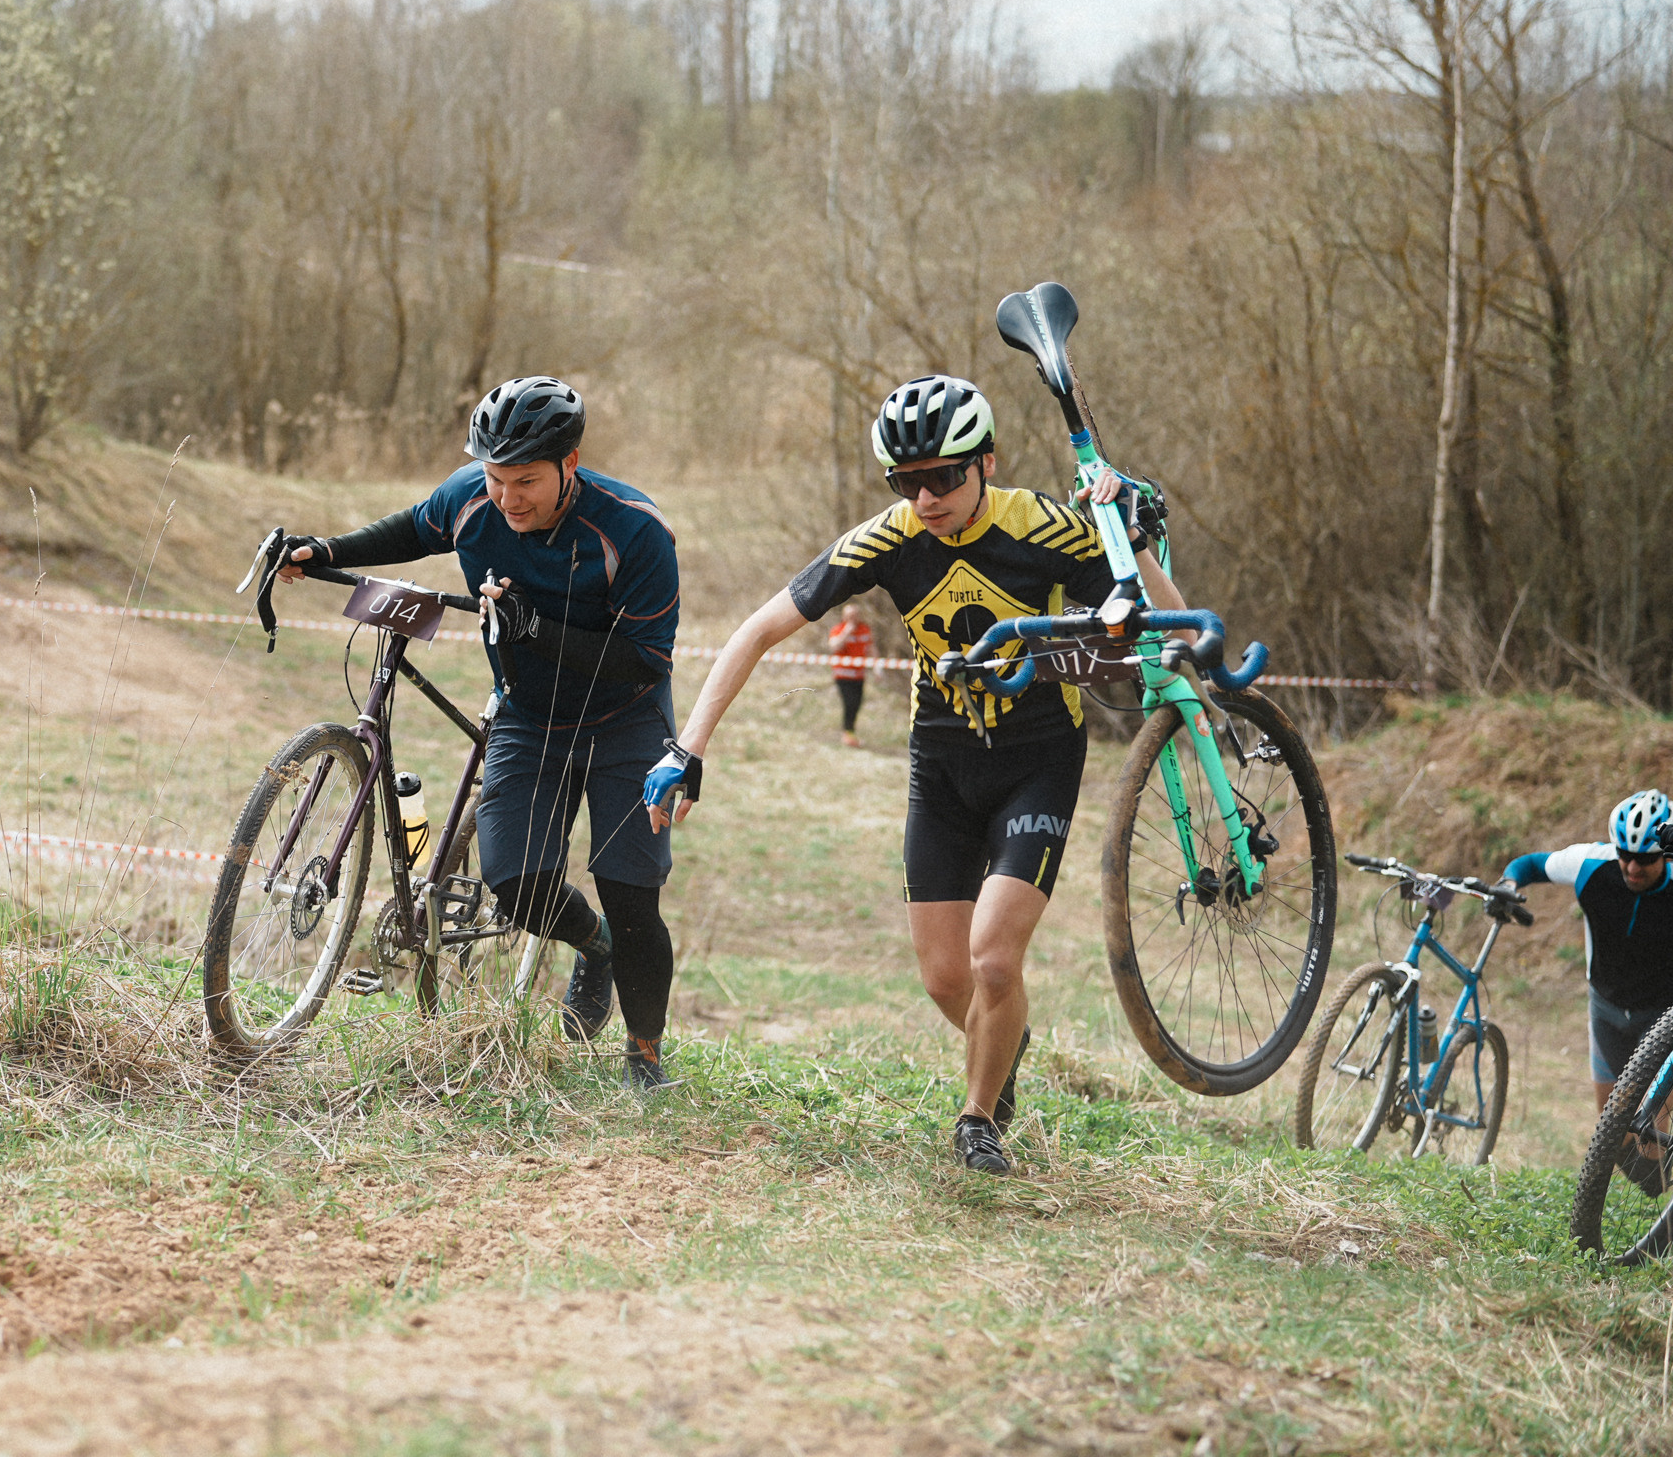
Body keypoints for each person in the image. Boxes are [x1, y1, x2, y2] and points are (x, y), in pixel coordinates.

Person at [642, 374, 1179, 1174]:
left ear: (986, 462)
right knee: (945, 978)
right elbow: (758, 630)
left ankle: (978, 1120)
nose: (925, 498)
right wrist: (688, 747)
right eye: (906, 481)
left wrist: (1131, 536)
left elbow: (1172, 627)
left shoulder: (1043, 525)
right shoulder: (887, 538)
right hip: (942, 764)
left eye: (944, 478)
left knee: (993, 959)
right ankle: (1005, 1035)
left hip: (1038, 760)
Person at [273, 377, 683, 1088]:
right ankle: (596, 946)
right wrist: (326, 552)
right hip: (528, 714)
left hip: (626, 722)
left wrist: (537, 629)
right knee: (516, 885)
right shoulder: (471, 498)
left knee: (630, 895)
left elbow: (646, 657)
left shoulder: (635, 531)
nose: (507, 498)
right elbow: (413, 529)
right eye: (495, 478)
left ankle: (644, 1057)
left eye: (526, 481)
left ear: (571, 463)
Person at [1504, 790, 1673, 1193]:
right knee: (1613, 1131)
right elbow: (1532, 864)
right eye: (1625, 854)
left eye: (1645, 858)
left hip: (1667, 1018)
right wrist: (1508, 882)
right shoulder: (1592, 864)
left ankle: (1665, 1207)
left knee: (1651, 1130)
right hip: (1605, 1010)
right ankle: (1656, 1194)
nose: (1632, 867)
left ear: (1666, 854)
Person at [827, 603, 874, 747]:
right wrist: (847, 632)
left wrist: (878, 667)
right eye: (849, 616)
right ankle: (847, 734)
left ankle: (850, 733)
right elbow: (834, 646)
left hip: (859, 675)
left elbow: (871, 648)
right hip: (843, 675)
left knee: (856, 704)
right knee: (850, 703)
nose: (853, 618)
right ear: (843, 616)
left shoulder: (864, 629)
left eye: (855, 615)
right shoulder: (838, 629)